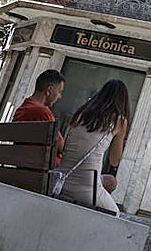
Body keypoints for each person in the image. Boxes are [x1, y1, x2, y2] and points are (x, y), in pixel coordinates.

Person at [53, 79, 129, 216]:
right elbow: (114, 160)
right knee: (115, 214)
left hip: (60, 180)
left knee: (110, 182)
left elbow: (67, 149)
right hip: (87, 188)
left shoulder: (81, 113)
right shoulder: (120, 121)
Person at [13, 69, 66, 165]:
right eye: (59, 91)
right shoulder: (42, 112)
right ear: (49, 90)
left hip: (25, 167)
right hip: (44, 173)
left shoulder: (22, 110)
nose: (59, 96)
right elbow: (62, 147)